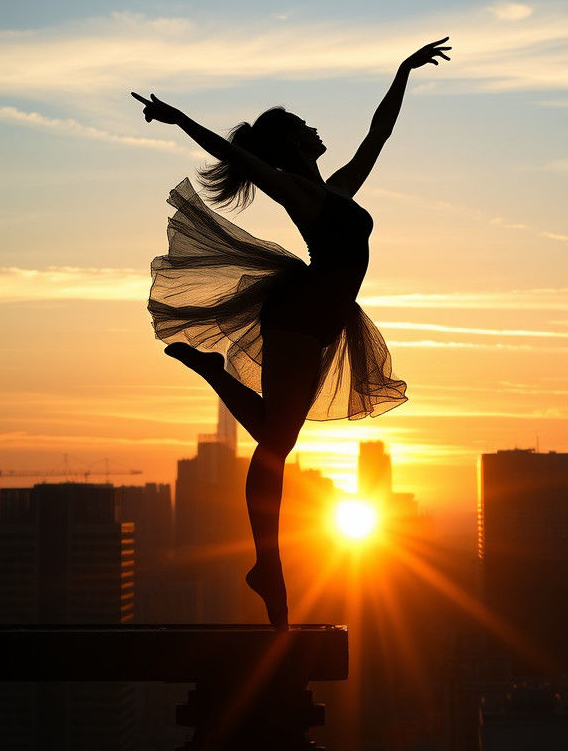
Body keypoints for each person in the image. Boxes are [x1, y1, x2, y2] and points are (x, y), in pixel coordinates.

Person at [132, 37, 451, 628]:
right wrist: (177, 119)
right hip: (303, 312)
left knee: (277, 441)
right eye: (303, 124)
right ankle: (267, 564)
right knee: (278, 442)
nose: (314, 127)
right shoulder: (300, 190)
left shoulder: (334, 189)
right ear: (291, 143)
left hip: (325, 318)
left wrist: (403, 71)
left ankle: (216, 382)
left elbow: (378, 135)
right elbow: (238, 157)